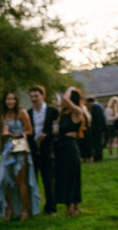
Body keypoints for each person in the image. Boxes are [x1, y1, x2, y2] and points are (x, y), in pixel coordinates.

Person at [0, 90, 40, 221]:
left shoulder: (22, 113)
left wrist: (16, 135)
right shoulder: (3, 116)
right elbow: (3, 133)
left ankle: (25, 210)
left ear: (16, 100)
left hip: (20, 148)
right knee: (5, 179)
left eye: (13, 99)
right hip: (8, 150)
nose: (10, 101)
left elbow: (30, 131)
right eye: (8, 99)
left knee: (21, 180)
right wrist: (5, 135)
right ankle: (9, 209)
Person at [55, 88, 88, 216]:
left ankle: (75, 205)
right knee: (64, 177)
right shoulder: (63, 113)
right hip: (61, 146)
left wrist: (71, 88)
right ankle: (68, 206)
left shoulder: (77, 111)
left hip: (70, 147)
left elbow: (65, 99)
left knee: (73, 176)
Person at [26, 84, 58, 211]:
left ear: (42, 96)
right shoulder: (28, 113)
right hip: (33, 149)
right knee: (32, 179)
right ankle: (33, 206)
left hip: (47, 148)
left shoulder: (52, 111)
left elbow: (56, 130)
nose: (34, 99)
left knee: (48, 179)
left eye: (36, 96)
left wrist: (47, 135)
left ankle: (51, 206)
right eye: (32, 96)